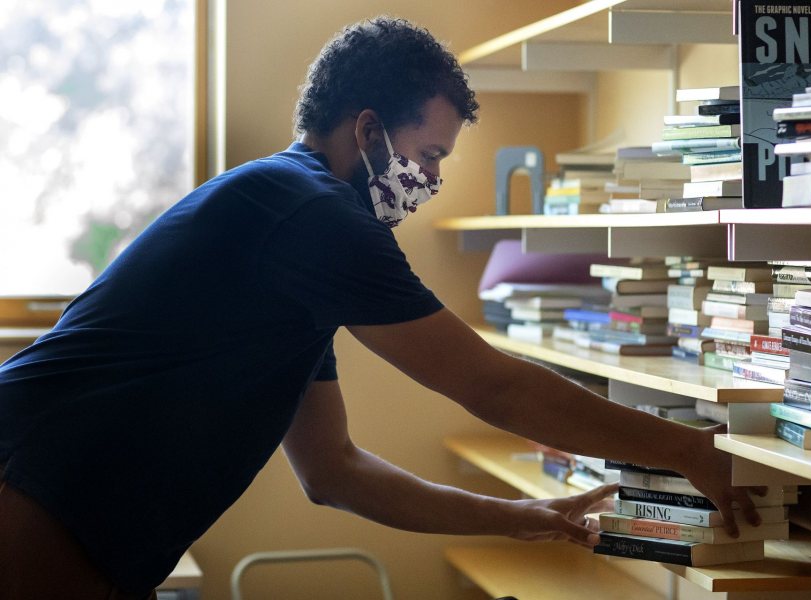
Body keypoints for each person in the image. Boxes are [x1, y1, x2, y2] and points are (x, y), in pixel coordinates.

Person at [0, 16, 763, 600]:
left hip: (65, 513)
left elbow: (335, 472)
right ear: (367, 129)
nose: (429, 181)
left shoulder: (291, 252)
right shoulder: (315, 216)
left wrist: (523, 517)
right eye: (428, 156)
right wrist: (693, 451)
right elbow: (494, 386)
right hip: (32, 494)